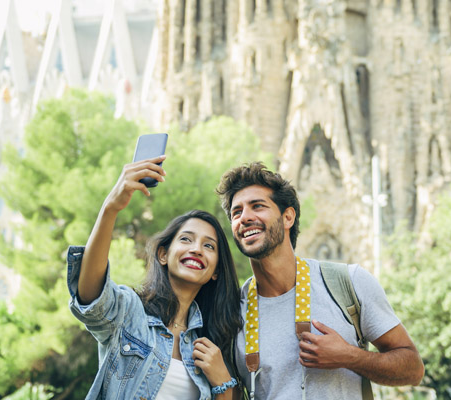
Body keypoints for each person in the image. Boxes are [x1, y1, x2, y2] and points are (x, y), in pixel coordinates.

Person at [216, 162, 424, 399]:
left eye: (258, 206)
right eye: (236, 212)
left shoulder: (347, 283)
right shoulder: (233, 311)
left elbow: (413, 369)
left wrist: (349, 356)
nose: (245, 217)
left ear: (288, 217)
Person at [67, 155, 243, 399]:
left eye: (209, 246)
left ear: (215, 272)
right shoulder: (130, 313)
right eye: (186, 239)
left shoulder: (214, 344)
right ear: (163, 254)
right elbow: (91, 297)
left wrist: (223, 382)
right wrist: (111, 208)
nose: (196, 249)